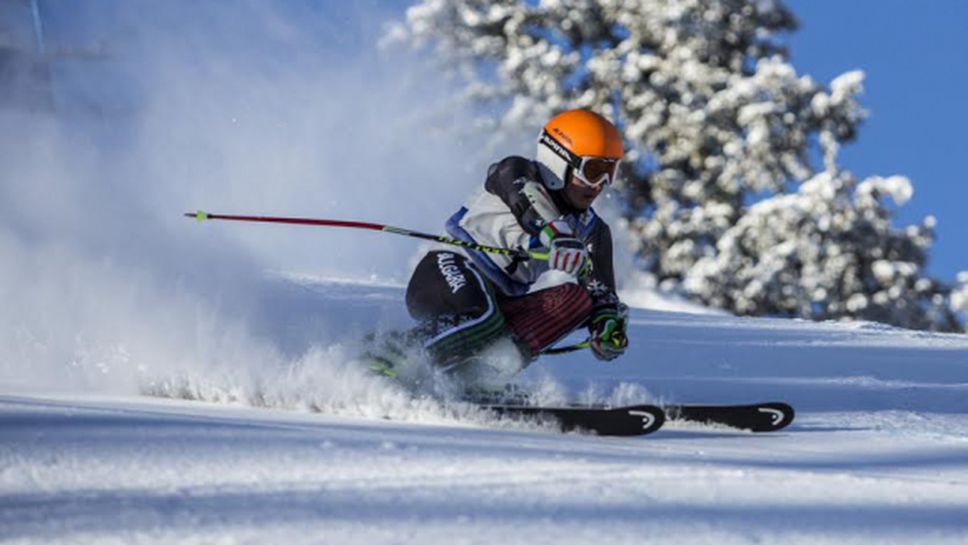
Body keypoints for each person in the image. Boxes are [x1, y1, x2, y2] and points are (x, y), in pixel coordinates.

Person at [371, 109, 629, 390]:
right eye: (592, 171)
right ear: (559, 163)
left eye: (609, 172)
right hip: (446, 272)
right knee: (483, 317)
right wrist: (555, 233)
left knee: (576, 301)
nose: (600, 186)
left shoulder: (593, 230)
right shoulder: (516, 172)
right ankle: (385, 357)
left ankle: (476, 379)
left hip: (501, 301)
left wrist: (607, 324)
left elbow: (600, 293)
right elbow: (526, 201)